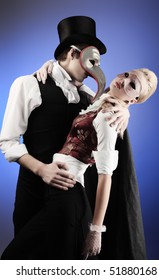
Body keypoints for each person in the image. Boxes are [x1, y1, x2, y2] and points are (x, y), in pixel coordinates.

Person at [0, 16, 130, 259]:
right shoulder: (28, 84)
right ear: (72, 53)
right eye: (92, 61)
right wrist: (42, 170)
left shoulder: (90, 97)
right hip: (32, 193)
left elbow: (112, 109)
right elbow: (7, 142)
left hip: (71, 198)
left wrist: (125, 109)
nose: (96, 70)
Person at [0, 64, 158, 259]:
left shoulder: (110, 118)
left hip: (68, 196)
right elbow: (74, 81)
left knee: (15, 259)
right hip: (57, 193)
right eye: (126, 75)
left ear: (134, 100)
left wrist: (96, 231)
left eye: (132, 84)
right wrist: (51, 64)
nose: (123, 80)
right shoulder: (98, 102)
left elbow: (106, 177)